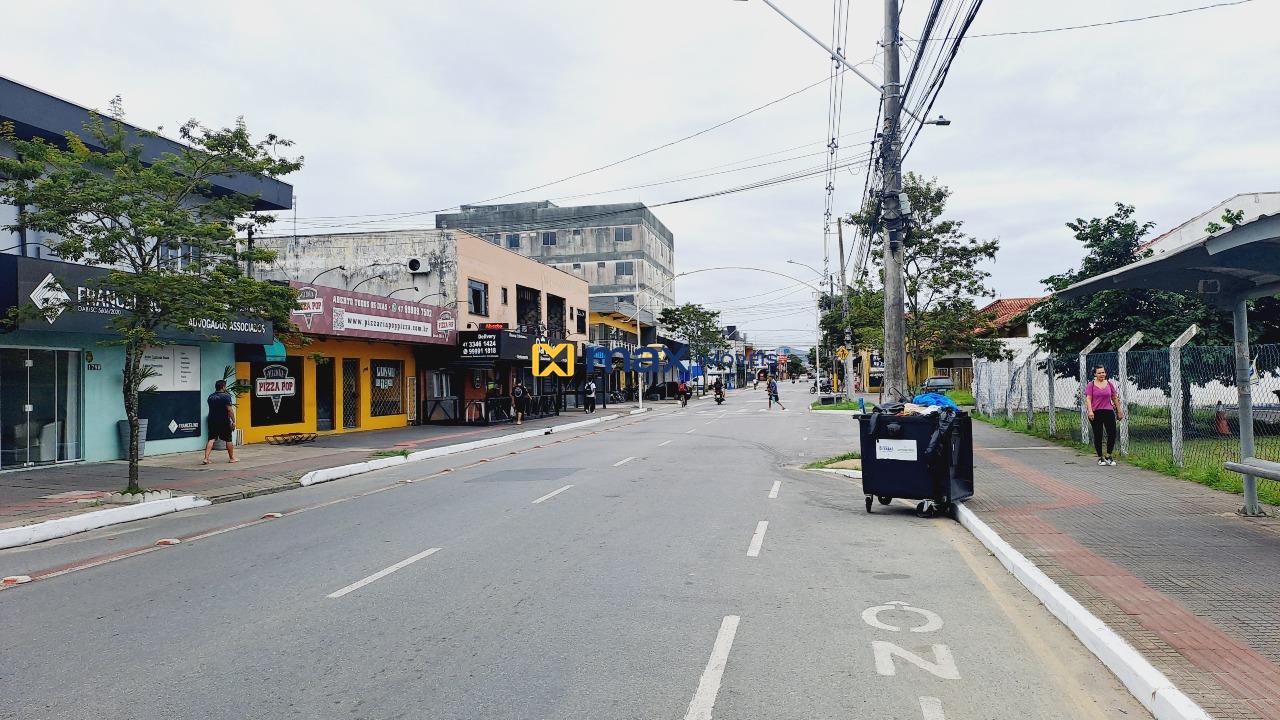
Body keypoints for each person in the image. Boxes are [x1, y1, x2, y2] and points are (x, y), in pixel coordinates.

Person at [1086, 366, 1122, 466]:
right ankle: (1100, 457)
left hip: (1108, 411)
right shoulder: (1091, 385)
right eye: (1099, 373)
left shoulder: (1109, 384)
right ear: (1095, 374)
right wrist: (1090, 411)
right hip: (1095, 412)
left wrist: (1119, 411)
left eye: (1103, 372)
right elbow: (1088, 399)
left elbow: (1114, 398)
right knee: (1098, 434)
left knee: (1112, 433)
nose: (1102, 374)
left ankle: (1108, 455)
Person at [202, 379, 237, 465]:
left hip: (212, 420)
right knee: (228, 439)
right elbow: (229, 410)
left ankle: (206, 458)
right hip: (224, 420)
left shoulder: (210, 397)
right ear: (223, 387)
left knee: (211, 439)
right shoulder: (226, 396)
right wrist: (234, 421)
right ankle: (232, 458)